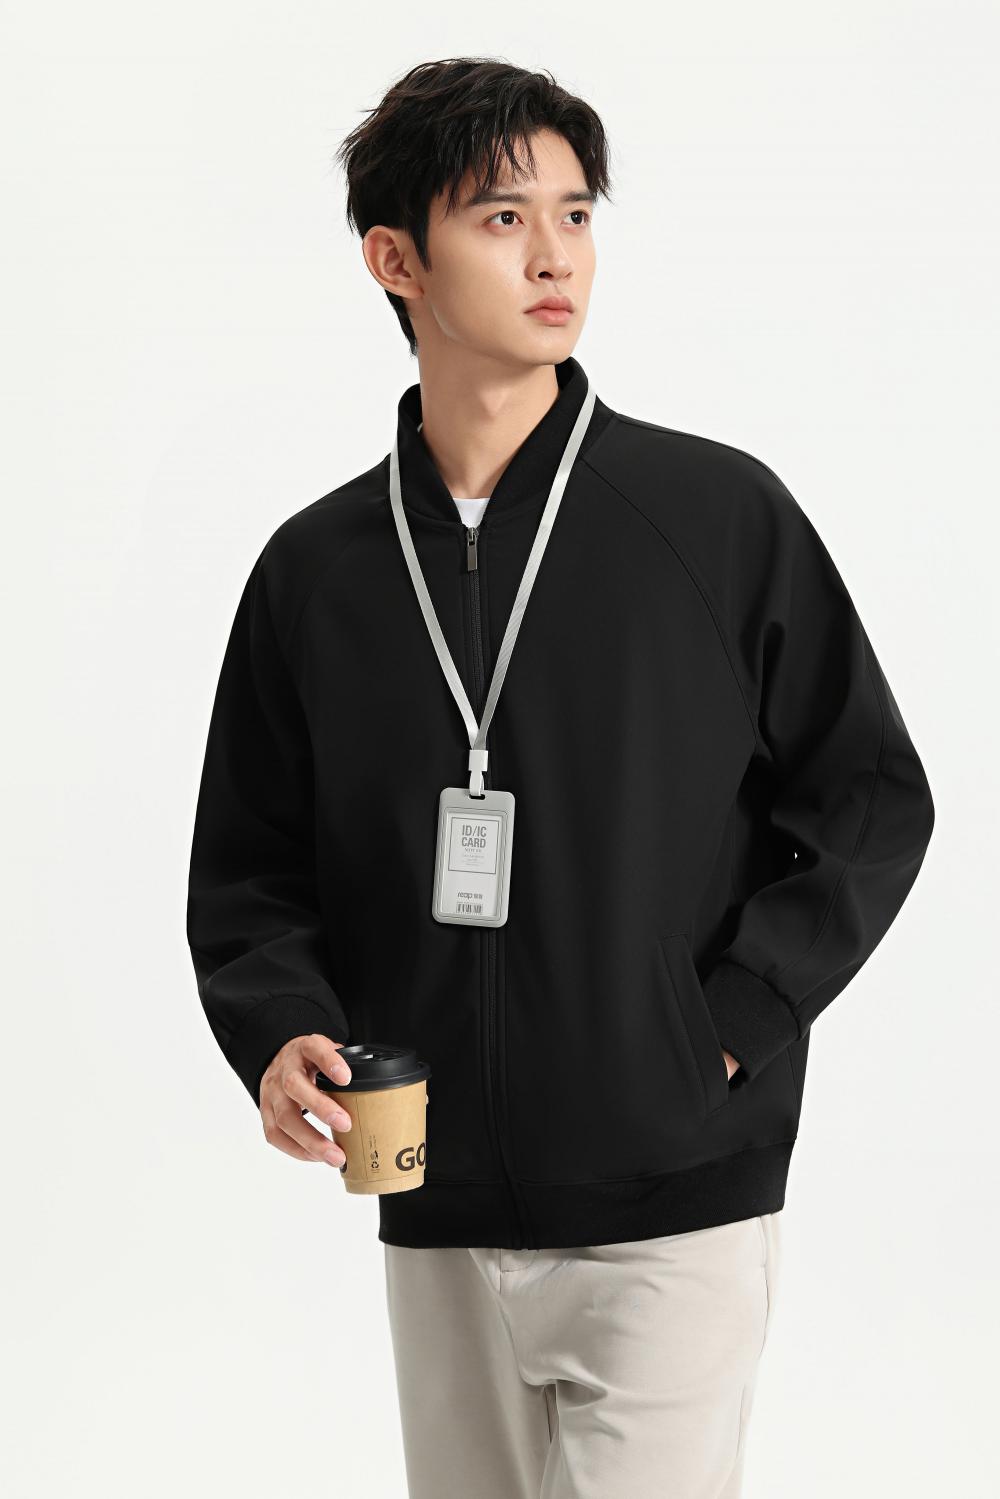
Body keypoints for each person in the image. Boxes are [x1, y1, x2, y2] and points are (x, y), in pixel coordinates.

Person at [186, 56, 936, 1499]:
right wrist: (279, 1030)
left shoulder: (712, 517)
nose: (555, 256)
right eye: (502, 217)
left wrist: (722, 1027)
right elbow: (251, 863)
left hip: (673, 1202)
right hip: (430, 1196)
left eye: (577, 214)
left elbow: (869, 798)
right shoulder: (317, 570)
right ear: (395, 260)